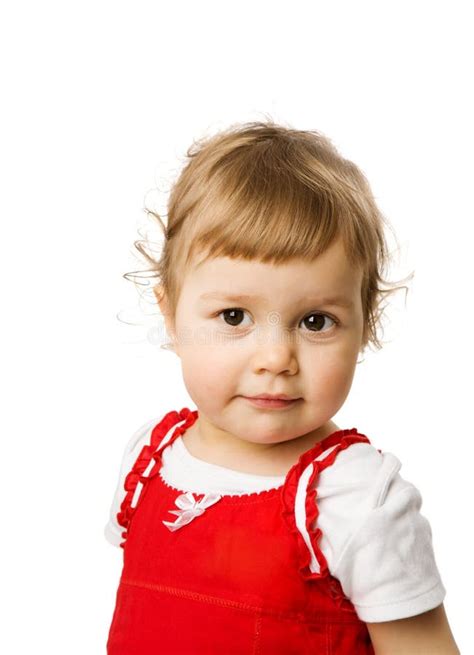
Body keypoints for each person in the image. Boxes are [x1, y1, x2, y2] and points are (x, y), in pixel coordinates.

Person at [104, 120, 460, 653]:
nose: (275, 359)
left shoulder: (357, 499)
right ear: (172, 316)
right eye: (233, 316)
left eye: (315, 322)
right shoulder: (150, 462)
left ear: (367, 324)